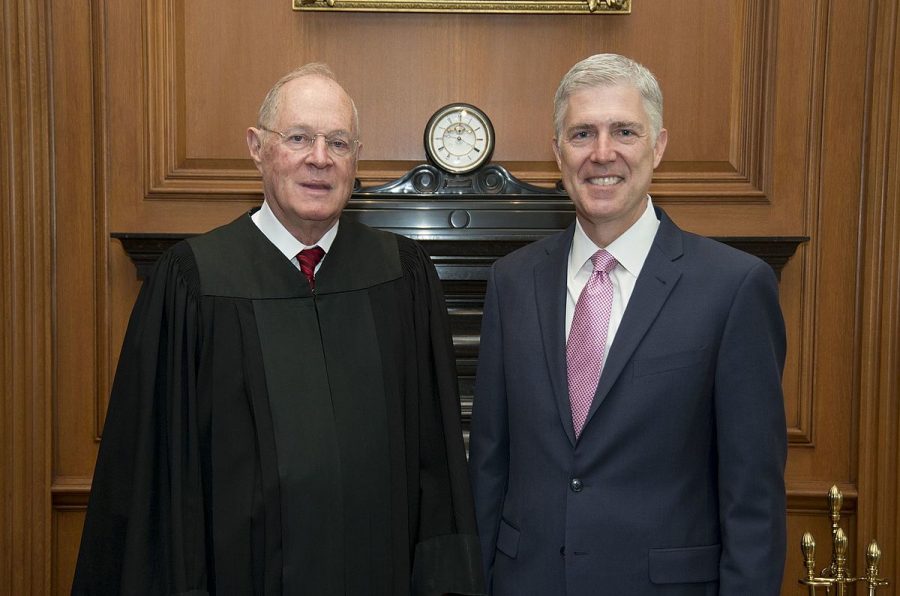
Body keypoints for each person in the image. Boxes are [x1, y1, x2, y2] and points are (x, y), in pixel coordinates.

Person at [73, 63, 485, 596]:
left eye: (338, 142)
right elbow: (152, 480)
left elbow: (438, 470)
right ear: (257, 147)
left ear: (355, 158)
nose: (320, 158)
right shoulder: (192, 284)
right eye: (298, 138)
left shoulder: (402, 277)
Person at [468, 53, 787, 594]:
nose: (602, 153)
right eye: (582, 133)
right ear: (557, 152)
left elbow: (753, 501)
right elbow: (489, 469)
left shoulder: (733, 289)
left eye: (624, 131)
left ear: (658, 146)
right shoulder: (511, 282)